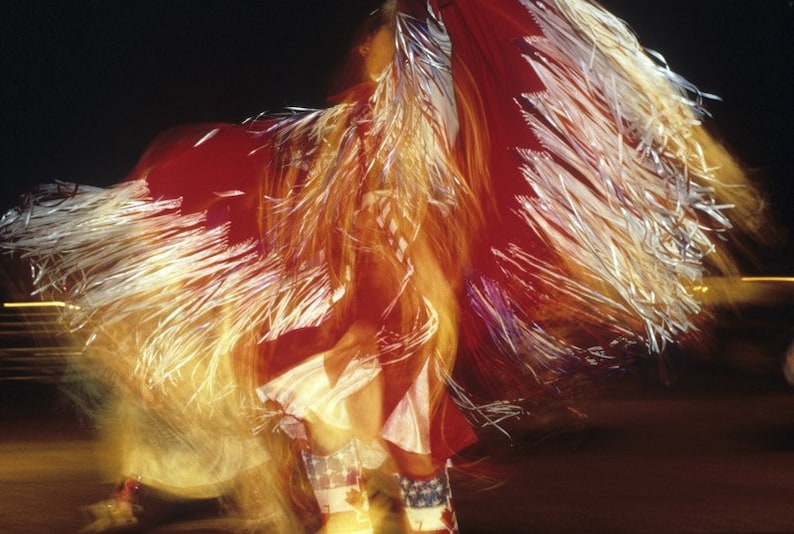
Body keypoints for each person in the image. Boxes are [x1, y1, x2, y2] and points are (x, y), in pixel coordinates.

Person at [1, 1, 766, 532]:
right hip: (342, 328)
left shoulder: (412, 141)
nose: (384, 58)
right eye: (382, 49)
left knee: (399, 459)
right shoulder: (341, 142)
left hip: (386, 328)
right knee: (354, 464)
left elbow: (433, 231)